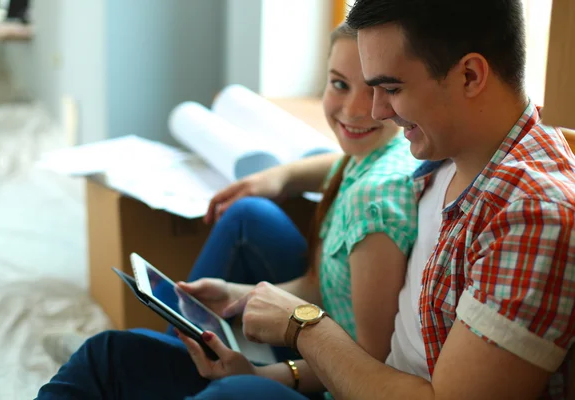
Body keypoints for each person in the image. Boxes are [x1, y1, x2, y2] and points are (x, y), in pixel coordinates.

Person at [188, 1, 575, 399]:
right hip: (367, 370)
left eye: (391, 89)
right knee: (247, 221)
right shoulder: (455, 136)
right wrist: (280, 176)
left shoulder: (534, 216)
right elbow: (363, 159)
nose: (377, 111)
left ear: (470, 76)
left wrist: (302, 326)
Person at [37, 23, 421, 399]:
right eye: (339, 83)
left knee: (134, 362)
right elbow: (328, 283)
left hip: (337, 374)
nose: (354, 109)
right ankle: (175, 352)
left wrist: (266, 374)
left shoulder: (372, 207)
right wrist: (239, 295)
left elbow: (370, 364)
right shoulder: (383, 151)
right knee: (248, 216)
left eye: (376, 89)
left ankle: (163, 366)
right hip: (321, 331)